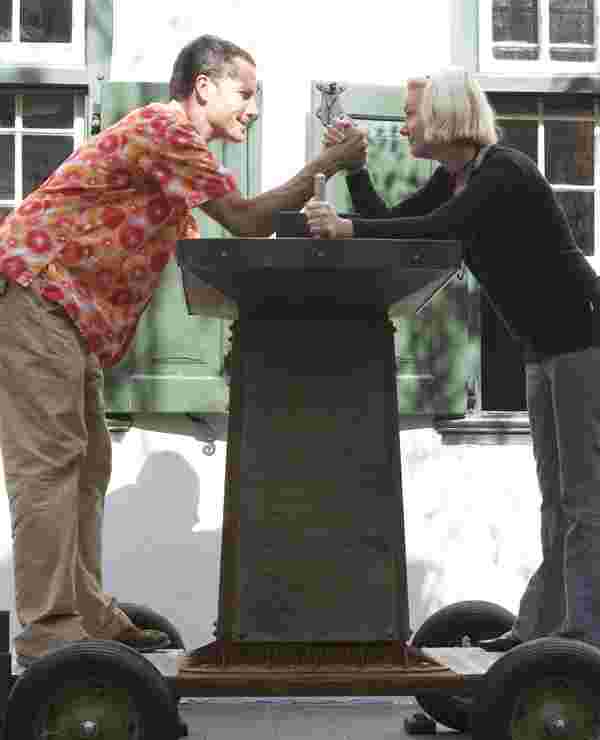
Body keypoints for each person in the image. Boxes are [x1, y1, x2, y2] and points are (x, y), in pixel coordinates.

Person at [0, 34, 366, 667]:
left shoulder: (173, 151)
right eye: (246, 93)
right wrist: (324, 168)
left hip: (64, 314)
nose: (251, 108)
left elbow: (211, 247)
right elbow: (247, 220)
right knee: (51, 465)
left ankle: (83, 611)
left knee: (87, 465)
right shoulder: (167, 131)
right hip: (36, 293)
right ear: (205, 86)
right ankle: (49, 631)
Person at [304, 66, 600, 652]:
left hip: (584, 343)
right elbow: (394, 225)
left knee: (583, 498)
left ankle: (581, 636)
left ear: (444, 116)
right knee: (555, 495)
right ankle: (544, 630)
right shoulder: (460, 176)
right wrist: (357, 176)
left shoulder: (503, 173)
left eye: (412, 113)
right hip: (545, 351)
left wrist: (344, 229)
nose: (405, 123)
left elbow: (437, 231)